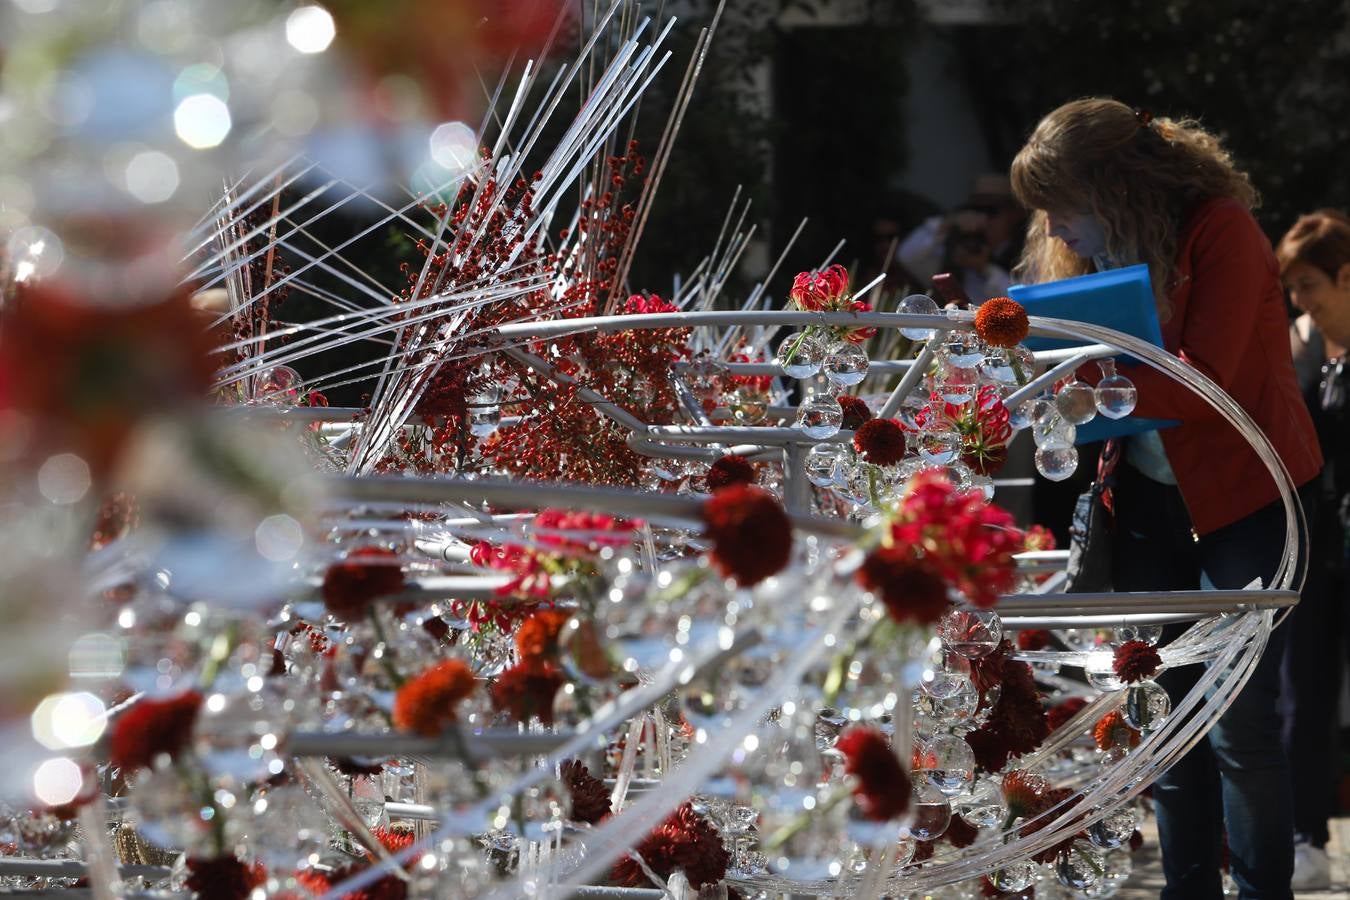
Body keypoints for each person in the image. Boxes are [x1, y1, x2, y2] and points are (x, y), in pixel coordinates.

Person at [1010, 98, 1323, 900]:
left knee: (1239, 728)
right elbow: (1074, 359)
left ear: (1115, 188)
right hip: (1149, 502)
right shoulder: (1088, 249)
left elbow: (1205, 377)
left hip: (1248, 499)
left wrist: (1078, 387)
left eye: (1062, 208)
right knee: (1170, 729)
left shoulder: (1219, 229)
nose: (1055, 230)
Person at [1275, 209, 1350, 890]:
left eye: (1309, 285)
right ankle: (1308, 837)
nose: (1301, 300)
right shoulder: (1300, 345)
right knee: (1304, 694)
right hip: (1316, 548)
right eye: (1293, 287)